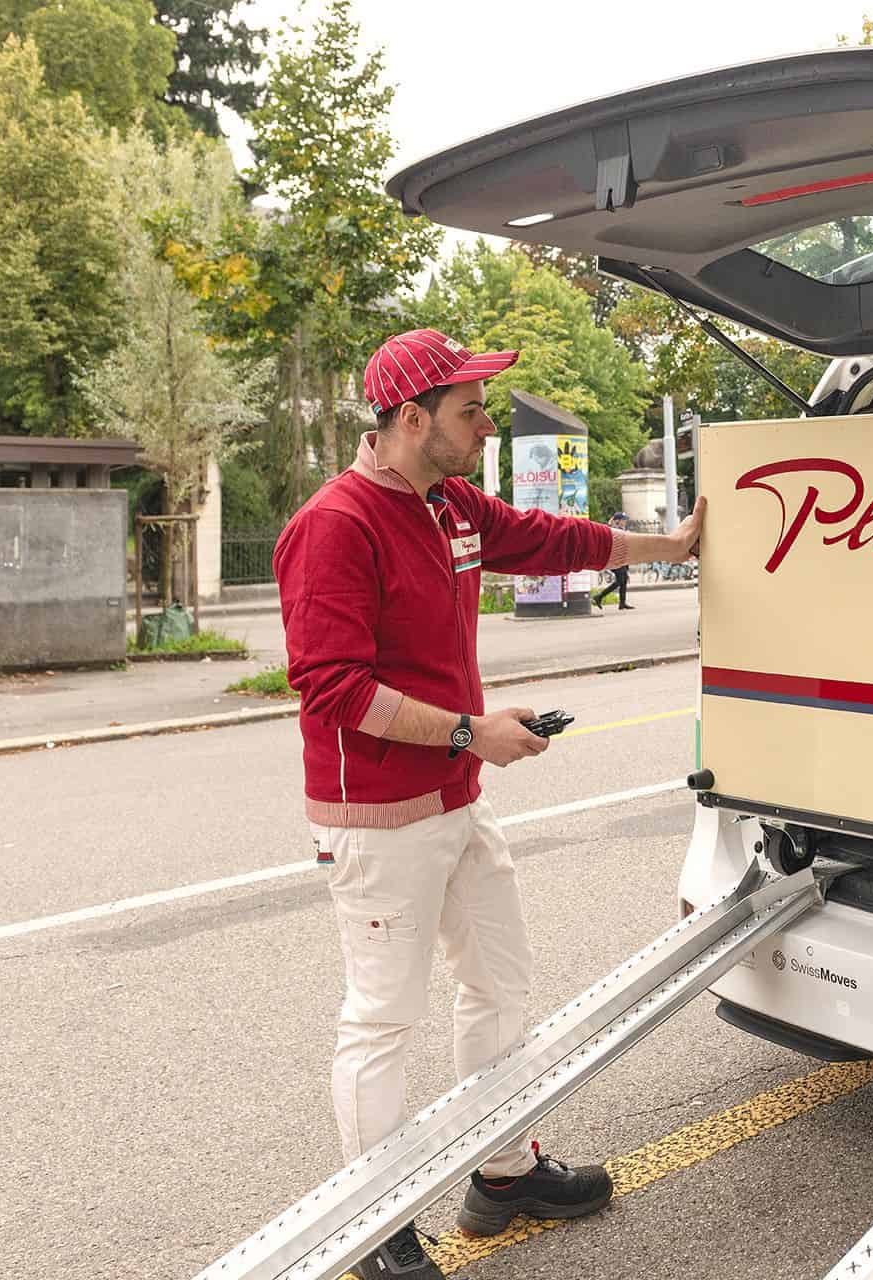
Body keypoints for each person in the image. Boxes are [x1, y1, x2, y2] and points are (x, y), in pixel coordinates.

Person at [273, 328, 705, 1280]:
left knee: (500, 984)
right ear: (412, 418)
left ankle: (502, 1174)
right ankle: (371, 1225)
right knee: (384, 1019)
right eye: (471, 411)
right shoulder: (335, 525)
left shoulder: (451, 504)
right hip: (378, 816)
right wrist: (471, 732)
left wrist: (667, 546)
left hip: (455, 799)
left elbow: (551, 538)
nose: (486, 426)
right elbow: (334, 689)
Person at [592, 512, 634, 610]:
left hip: (622, 559)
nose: (625, 521)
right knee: (620, 581)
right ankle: (599, 596)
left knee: (624, 580)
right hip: (614, 559)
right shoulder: (613, 529)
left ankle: (622, 603)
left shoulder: (621, 529)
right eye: (623, 520)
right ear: (617, 521)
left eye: (625, 520)